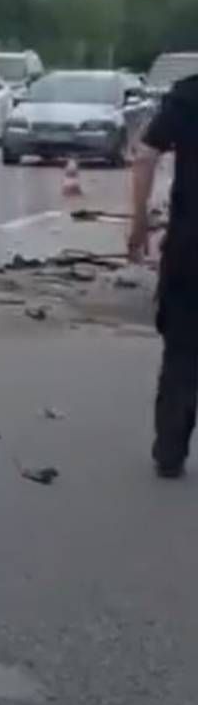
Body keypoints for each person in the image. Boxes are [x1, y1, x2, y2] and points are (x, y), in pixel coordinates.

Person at [130, 71, 198, 477]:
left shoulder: (189, 95)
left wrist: (138, 223)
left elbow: (145, 154)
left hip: (192, 247)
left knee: (183, 351)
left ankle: (170, 449)